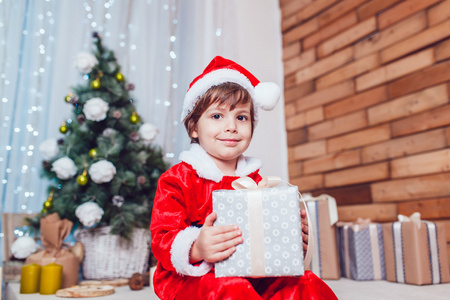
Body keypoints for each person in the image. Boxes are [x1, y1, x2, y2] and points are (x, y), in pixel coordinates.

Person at [150, 56, 338, 300]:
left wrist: (289, 237)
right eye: (217, 116)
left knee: (306, 284)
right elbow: (162, 238)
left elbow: (264, 240)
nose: (232, 126)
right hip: (194, 277)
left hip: (252, 272)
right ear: (194, 127)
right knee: (231, 289)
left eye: (241, 117)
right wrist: (197, 247)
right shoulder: (177, 179)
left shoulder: (258, 182)